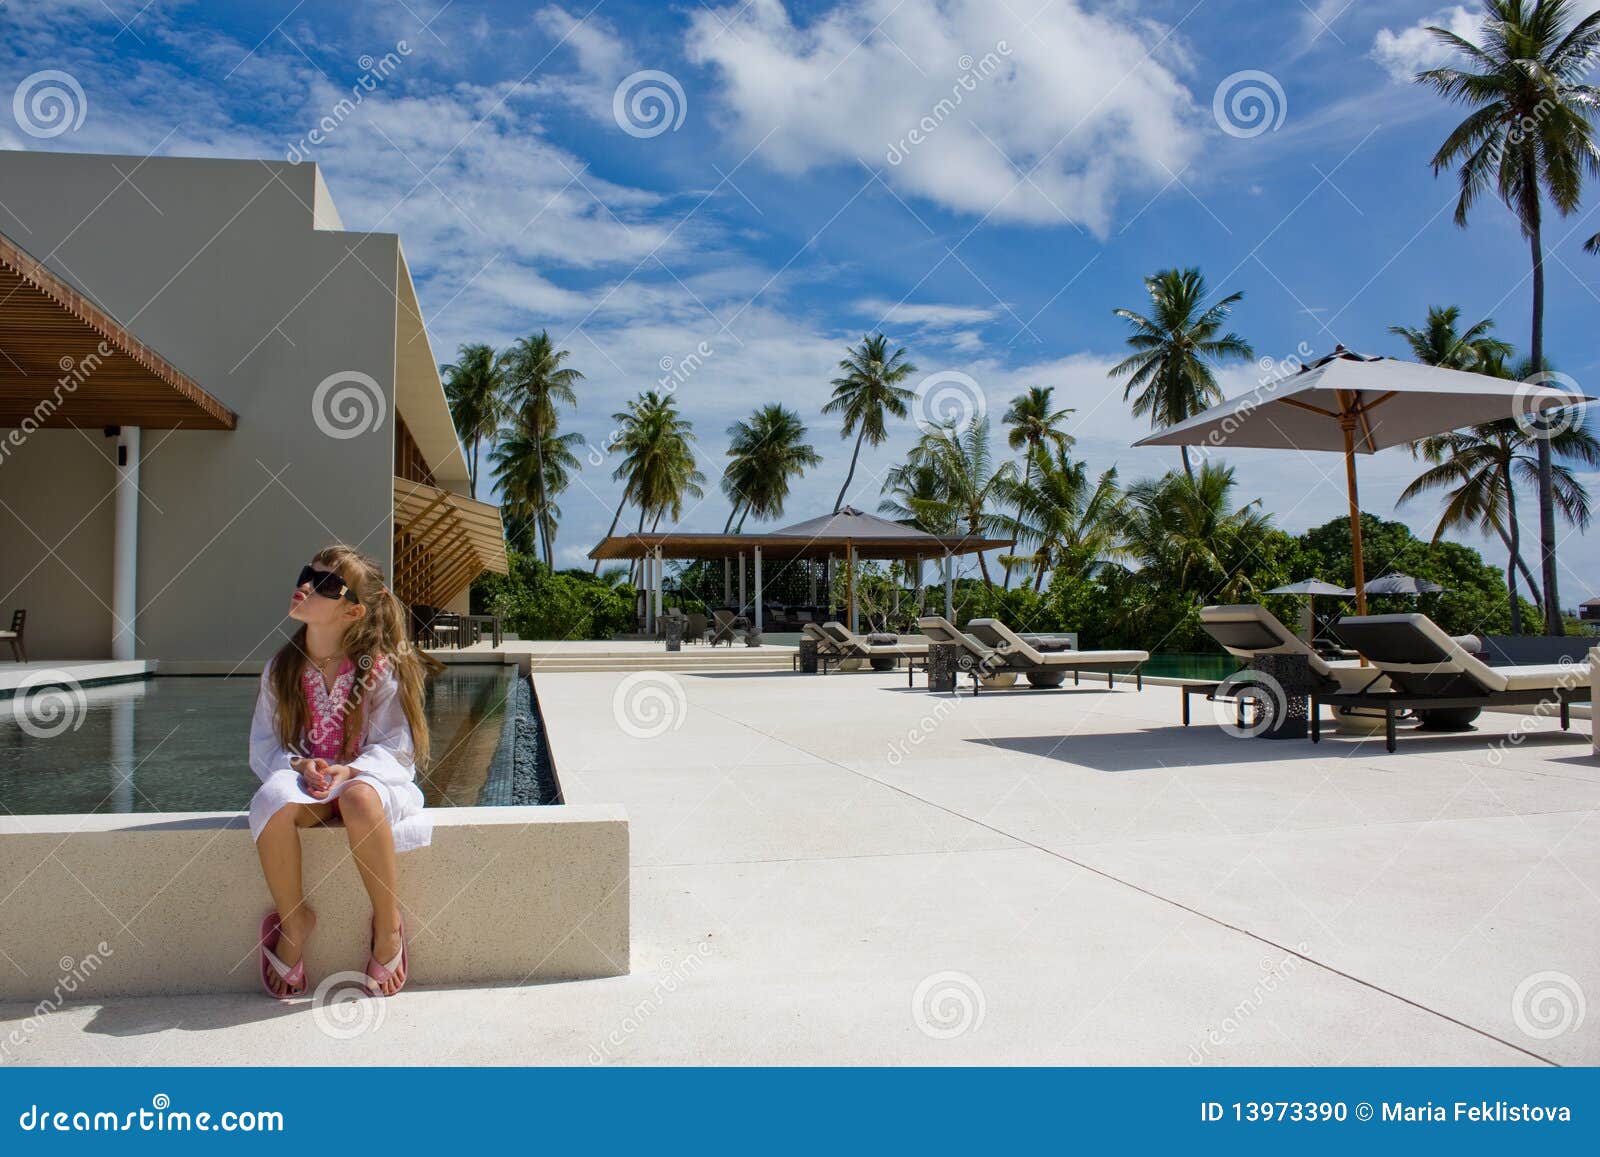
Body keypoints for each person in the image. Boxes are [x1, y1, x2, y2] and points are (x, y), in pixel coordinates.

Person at [249, 544, 439, 999]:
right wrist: (299, 763)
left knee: (358, 798)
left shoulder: (377, 670)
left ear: (353, 610)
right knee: (272, 800)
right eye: (306, 573)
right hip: (310, 788)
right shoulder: (281, 668)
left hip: (368, 785)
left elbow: (396, 748)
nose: (306, 585)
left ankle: (388, 926)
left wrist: (349, 771)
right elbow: (264, 746)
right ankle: (295, 921)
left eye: (326, 584)